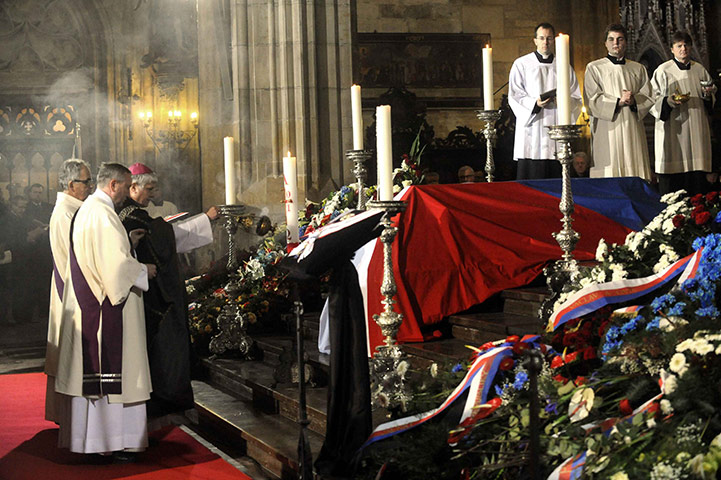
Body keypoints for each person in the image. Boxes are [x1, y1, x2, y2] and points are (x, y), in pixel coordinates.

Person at [55, 163, 157, 461]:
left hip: (91, 306)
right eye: (126, 187)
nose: (127, 194)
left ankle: (96, 442)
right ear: (114, 184)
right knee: (116, 375)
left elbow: (104, 255)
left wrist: (129, 244)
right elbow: (115, 269)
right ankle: (113, 441)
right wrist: (143, 270)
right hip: (107, 310)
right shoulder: (102, 214)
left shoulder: (89, 210)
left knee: (97, 383)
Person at [118, 162, 218, 423]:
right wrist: (205, 220)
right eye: (149, 189)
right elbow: (169, 237)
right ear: (133, 186)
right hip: (152, 293)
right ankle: (166, 395)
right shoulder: (133, 214)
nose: (152, 194)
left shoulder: (126, 211)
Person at [44, 159, 93, 424]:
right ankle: (69, 416)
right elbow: (71, 258)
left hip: (73, 287)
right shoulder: (66, 212)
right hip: (71, 289)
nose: (90, 187)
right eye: (86, 182)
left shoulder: (76, 208)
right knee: (71, 354)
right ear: (72, 185)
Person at [509, 22, 581, 179]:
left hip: (556, 131)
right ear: (535, 40)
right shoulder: (522, 64)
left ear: (553, 41)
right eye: (541, 38)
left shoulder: (563, 66)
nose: (545, 42)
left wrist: (562, 101)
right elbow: (515, 96)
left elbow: (576, 97)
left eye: (549, 38)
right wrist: (535, 104)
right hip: (532, 130)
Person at [650, 31, 717, 195]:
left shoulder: (699, 69)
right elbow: (652, 100)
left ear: (691, 47)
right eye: (679, 45)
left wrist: (708, 94)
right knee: (674, 187)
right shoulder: (663, 71)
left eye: (686, 45)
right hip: (674, 131)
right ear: (672, 49)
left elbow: (711, 98)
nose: (683, 49)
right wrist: (669, 101)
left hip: (696, 132)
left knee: (697, 185)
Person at [584, 24, 654, 181]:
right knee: (610, 173)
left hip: (632, 127)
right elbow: (592, 98)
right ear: (605, 43)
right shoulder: (595, 68)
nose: (615, 43)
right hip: (607, 128)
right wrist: (618, 102)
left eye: (620, 39)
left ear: (626, 42)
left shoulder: (638, 68)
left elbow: (649, 96)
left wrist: (634, 100)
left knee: (633, 168)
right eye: (611, 39)